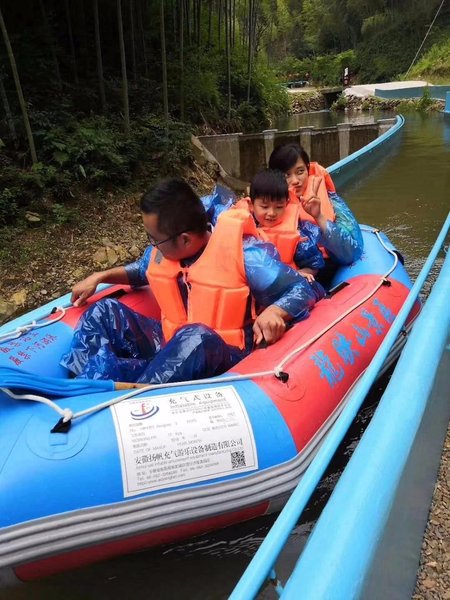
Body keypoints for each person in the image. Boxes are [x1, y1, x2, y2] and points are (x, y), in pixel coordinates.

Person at [61, 178, 325, 384]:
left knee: (195, 336)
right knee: (104, 312)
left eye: (155, 239)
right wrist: (100, 276)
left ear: (185, 239)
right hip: (170, 341)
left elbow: (301, 288)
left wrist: (275, 311)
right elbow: (140, 272)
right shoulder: (166, 252)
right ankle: (81, 386)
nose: (152, 245)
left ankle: (131, 401)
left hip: (223, 352)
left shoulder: (247, 256)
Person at [268, 143, 364, 278]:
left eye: (300, 172)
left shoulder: (330, 199)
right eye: (286, 175)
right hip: (291, 270)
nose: (295, 181)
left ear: (308, 169)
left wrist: (318, 216)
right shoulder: (266, 206)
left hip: (326, 265)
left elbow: (351, 252)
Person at [235, 169, 324, 282]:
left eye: (279, 207)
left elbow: (314, 266)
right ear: (251, 205)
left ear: (286, 203)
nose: (272, 213)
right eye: (265, 207)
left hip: (288, 285)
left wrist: (297, 275)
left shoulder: (297, 234)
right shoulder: (242, 227)